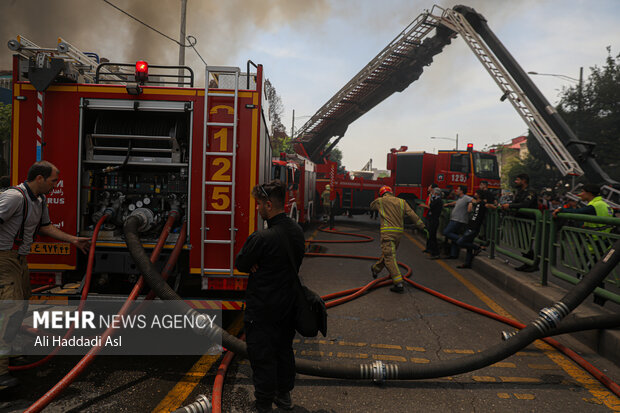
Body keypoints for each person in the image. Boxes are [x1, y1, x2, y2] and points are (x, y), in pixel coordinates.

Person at [0, 161, 91, 391]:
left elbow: (45, 227)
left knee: (20, 307)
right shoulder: (15, 197)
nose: (55, 185)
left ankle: (7, 356)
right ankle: (1, 374)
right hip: (4, 258)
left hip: (19, 260)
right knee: (9, 310)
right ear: (39, 178)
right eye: (53, 180)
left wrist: (73, 240)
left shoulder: (39, 201)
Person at [235, 180, 304, 412]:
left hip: (263, 308)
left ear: (268, 204)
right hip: (288, 306)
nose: (257, 209)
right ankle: (284, 397)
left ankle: (263, 404)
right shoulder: (297, 231)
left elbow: (241, 264)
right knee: (284, 350)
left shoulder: (261, 238)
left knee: (262, 356)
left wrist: (256, 262)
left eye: (258, 204)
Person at [553, 183, 613, 305]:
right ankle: (599, 298)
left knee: (585, 275)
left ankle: (572, 302)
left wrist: (560, 210)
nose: (580, 194)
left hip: (595, 245)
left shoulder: (594, 206)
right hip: (602, 244)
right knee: (596, 273)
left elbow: (578, 212)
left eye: (583, 191)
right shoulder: (604, 205)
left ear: (589, 193)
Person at [370, 185, 426, 293]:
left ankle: (398, 283)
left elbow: (371, 206)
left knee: (389, 257)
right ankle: (376, 268)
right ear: (391, 192)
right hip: (399, 233)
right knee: (389, 254)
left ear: (382, 193)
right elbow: (412, 214)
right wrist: (422, 226)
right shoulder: (402, 201)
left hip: (388, 233)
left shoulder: (380, 201)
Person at [501, 173, 538, 272]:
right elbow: (516, 202)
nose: (515, 182)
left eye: (517, 180)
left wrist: (510, 206)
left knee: (527, 243)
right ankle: (527, 262)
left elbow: (526, 204)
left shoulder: (531, 191)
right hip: (520, 220)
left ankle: (533, 264)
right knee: (522, 243)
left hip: (528, 220)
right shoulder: (520, 191)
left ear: (524, 180)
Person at [456, 190, 488, 268]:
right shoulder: (475, 204)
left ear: (479, 195)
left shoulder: (483, 204)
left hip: (474, 227)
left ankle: (478, 248)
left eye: (476, 193)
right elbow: (469, 211)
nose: (474, 194)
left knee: (460, 242)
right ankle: (467, 263)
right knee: (468, 247)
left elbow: (491, 206)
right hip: (470, 225)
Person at [442, 185, 472, 259]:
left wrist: (470, 206)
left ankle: (463, 241)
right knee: (453, 238)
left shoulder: (466, 197)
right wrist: (448, 204)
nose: (456, 190)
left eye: (458, 189)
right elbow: (456, 202)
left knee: (446, 232)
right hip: (455, 219)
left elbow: (472, 200)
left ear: (461, 191)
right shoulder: (460, 198)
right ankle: (453, 254)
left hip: (458, 220)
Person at [426, 187, 443, 259]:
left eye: (432, 193)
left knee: (433, 237)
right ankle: (432, 251)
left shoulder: (438, 200)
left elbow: (430, 205)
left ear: (436, 193)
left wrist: (430, 197)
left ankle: (436, 253)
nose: (431, 194)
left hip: (434, 220)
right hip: (432, 219)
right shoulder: (436, 200)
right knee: (431, 236)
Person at [421, 183, 438, 253]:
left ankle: (432, 249)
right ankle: (428, 248)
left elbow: (429, 206)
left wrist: (423, 205)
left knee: (431, 234)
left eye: (430, 186)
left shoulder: (433, 197)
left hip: (431, 217)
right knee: (428, 233)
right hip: (427, 216)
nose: (428, 187)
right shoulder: (430, 196)